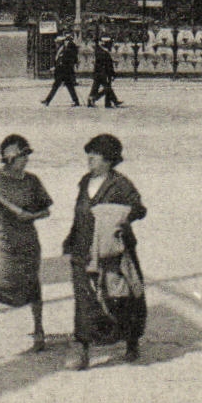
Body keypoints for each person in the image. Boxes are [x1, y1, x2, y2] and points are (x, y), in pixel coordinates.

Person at [61, 133, 147, 370]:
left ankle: (131, 339)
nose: (89, 159)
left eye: (95, 155)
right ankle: (82, 348)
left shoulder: (120, 184)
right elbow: (79, 214)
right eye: (88, 154)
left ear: (108, 160)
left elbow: (139, 209)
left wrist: (116, 216)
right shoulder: (85, 181)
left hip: (113, 250)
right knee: (84, 298)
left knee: (121, 297)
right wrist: (69, 239)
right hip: (83, 248)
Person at [0, 134, 53, 363]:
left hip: (27, 239)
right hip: (0, 239)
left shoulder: (32, 181)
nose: (26, 160)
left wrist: (31, 215)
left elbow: (47, 210)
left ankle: (39, 332)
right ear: (9, 158)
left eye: (27, 155)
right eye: (22, 156)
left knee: (33, 286)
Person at [41, 36, 80, 107]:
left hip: (63, 71)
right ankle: (76, 101)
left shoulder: (65, 49)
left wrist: (55, 67)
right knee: (68, 86)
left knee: (57, 86)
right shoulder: (61, 49)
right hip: (62, 71)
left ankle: (47, 101)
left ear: (60, 42)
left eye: (57, 42)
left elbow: (63, 61)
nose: (56, 43)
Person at [88, 37, 121, 108]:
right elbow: (107, 65)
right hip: (102, 73)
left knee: (96, 88)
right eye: (109, 44)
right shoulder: (103, 52)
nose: (110, 45)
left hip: (99, 73)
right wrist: (112, 73)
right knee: (107, 88)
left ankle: (108, 102)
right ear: (106, 44)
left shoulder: (100, 51)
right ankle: (97, 99)